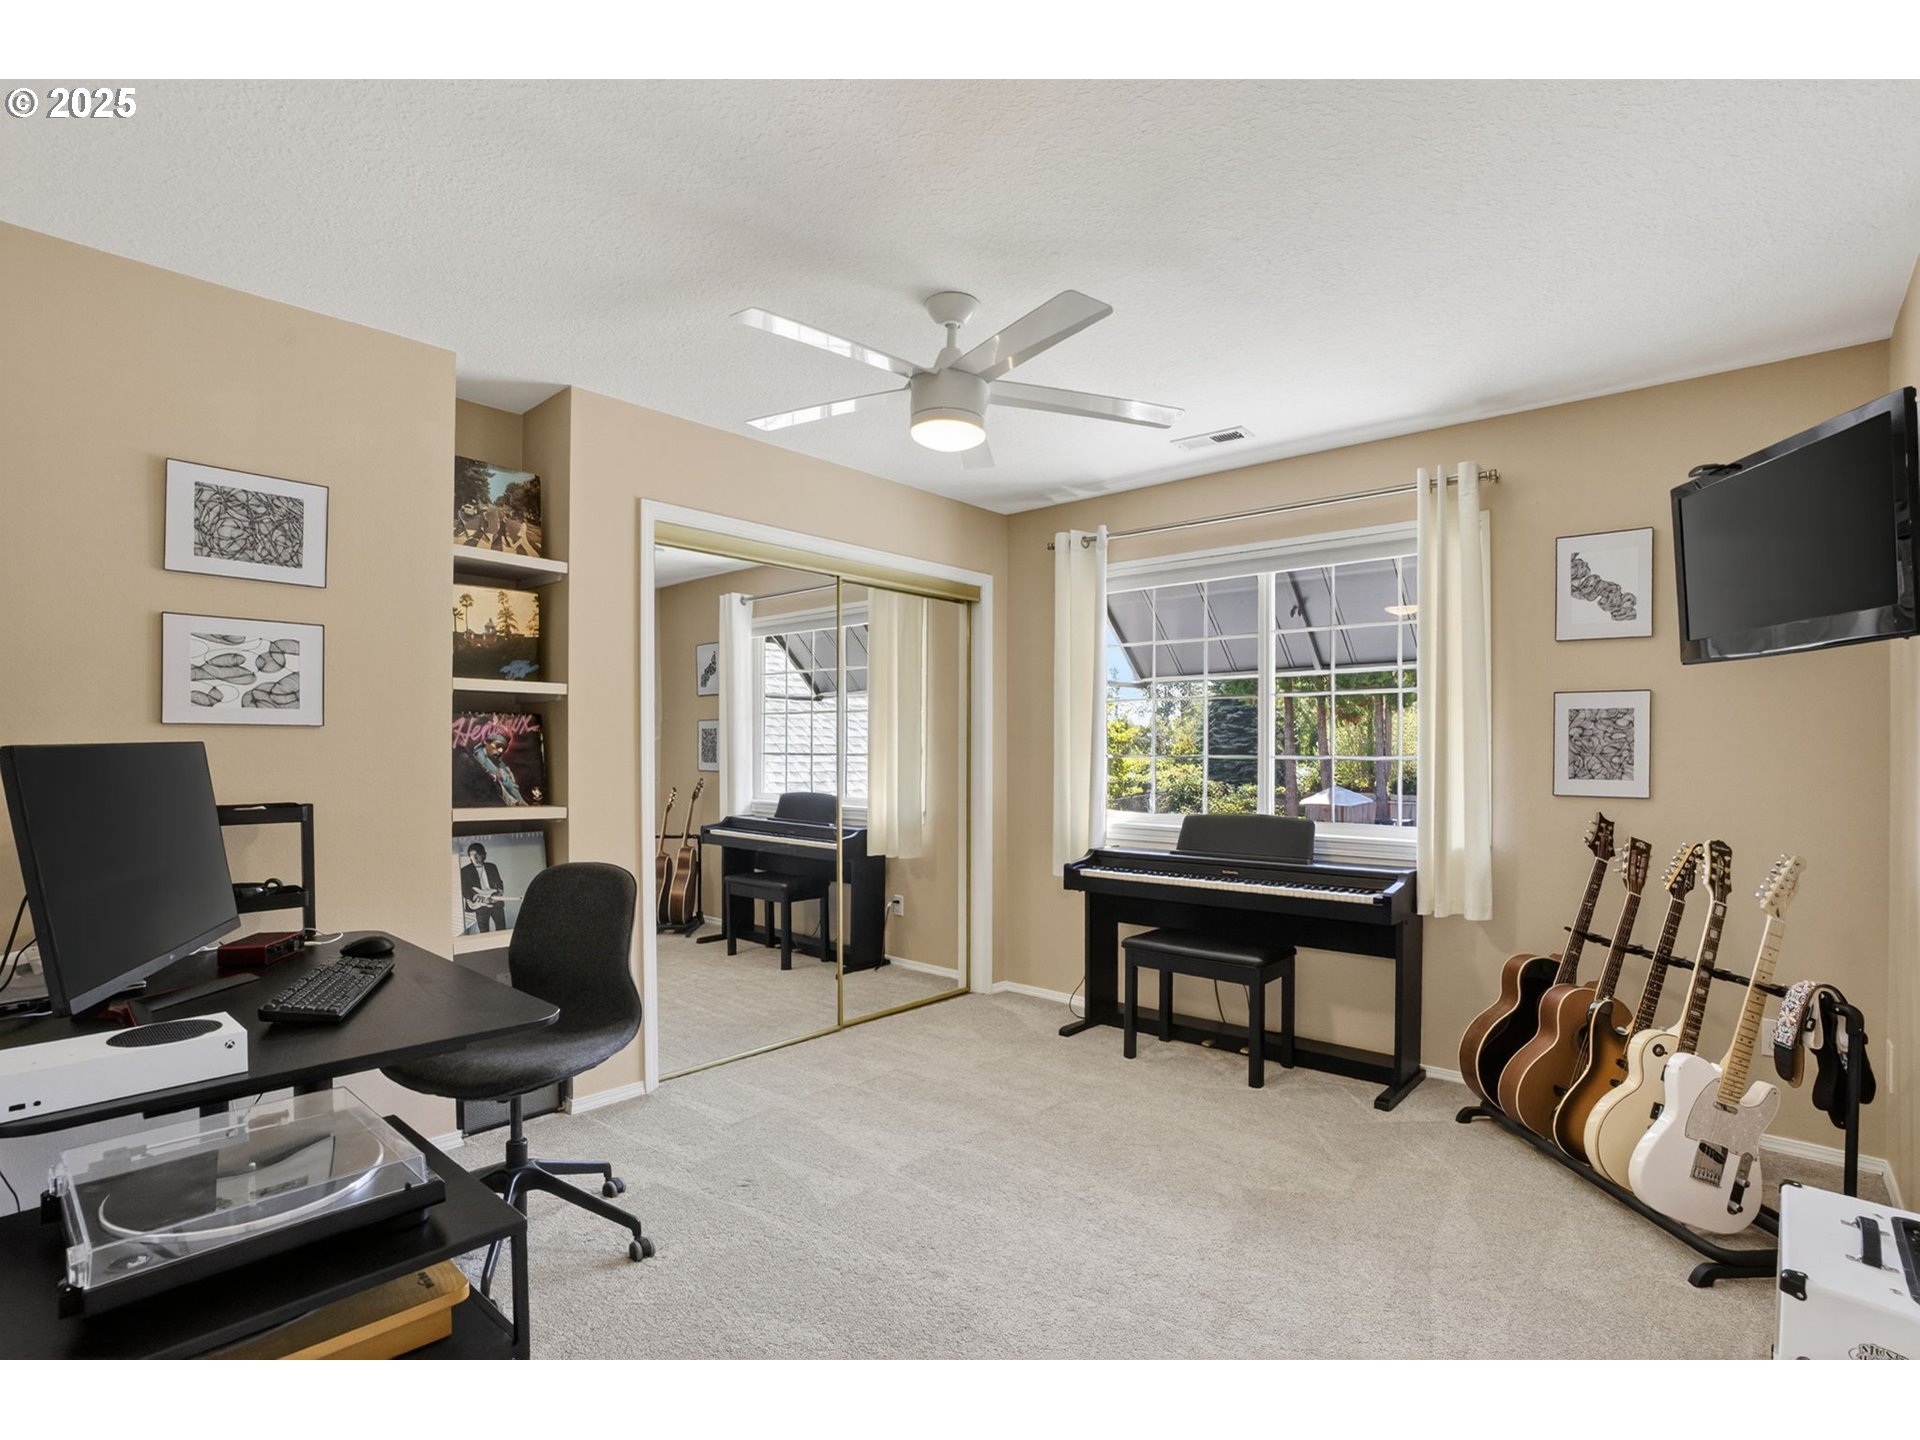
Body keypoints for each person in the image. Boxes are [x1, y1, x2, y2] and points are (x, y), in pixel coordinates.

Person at [461, 843, 509, 932]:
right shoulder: (465, 871)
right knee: (484, 932)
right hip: (480, 906)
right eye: (471, 855)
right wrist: (476, 897)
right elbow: (464, 889)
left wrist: (498, 894)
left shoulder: (492, 867)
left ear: (483, 855)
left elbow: (499, 883)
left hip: (495, 903)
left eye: (477, 855)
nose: (474, 858)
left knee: (502, 929)